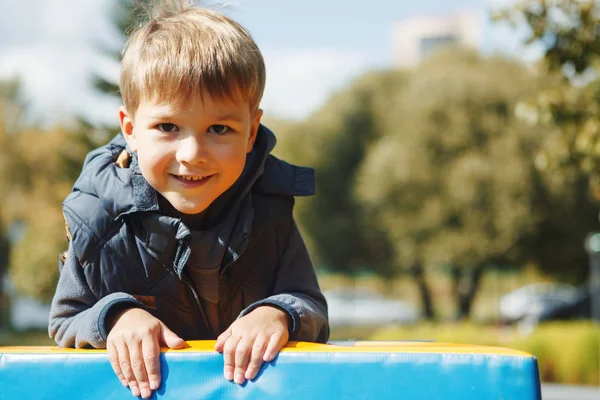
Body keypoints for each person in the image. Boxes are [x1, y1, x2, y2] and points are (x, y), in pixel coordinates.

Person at [48, 2, 329, 398]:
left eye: (219, 128)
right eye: (167, 126)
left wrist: (278, 313)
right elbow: (66, 318)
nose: (192, 153)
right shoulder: (98, 214)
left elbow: (310, 303)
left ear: (251, 133)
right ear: (130, 128)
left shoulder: (269, 206)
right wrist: (116, 317)